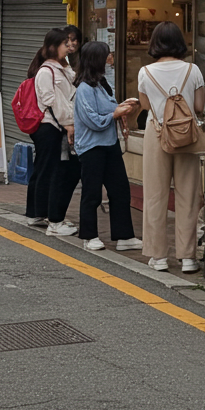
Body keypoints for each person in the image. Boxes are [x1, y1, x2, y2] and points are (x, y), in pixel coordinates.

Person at [136, 22, 205, 273]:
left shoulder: (145, 72)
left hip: (157, 134)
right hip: (187, 136)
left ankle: (159, 256)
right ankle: (188, 257)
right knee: (188, 196)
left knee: (155, 196)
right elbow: (199, 106)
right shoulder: (193, 69)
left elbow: (145, 106)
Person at [72, 41, 141, 252]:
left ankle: (124, 236)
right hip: (92, 147)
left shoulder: (102, 84)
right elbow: (92, 119)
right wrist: (115, 114)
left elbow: (108, 108)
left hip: (109, 144)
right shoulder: (84, 88)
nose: (111, 58)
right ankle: (89, 235)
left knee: (120, 190)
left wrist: (121, 108)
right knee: (92, 192)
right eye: (107, 55)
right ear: (97, 59)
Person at [25, 29, 78, 235]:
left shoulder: (63, 67)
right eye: (66, 43)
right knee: (50, 169)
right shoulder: (47, 71)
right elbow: (50, 101)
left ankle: (38, 213)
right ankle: (43, 215)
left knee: (46, 168)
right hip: (49, 126)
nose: (70, 46)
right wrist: (67, 123)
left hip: (57, 125)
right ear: (54, 46)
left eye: (72, 42)